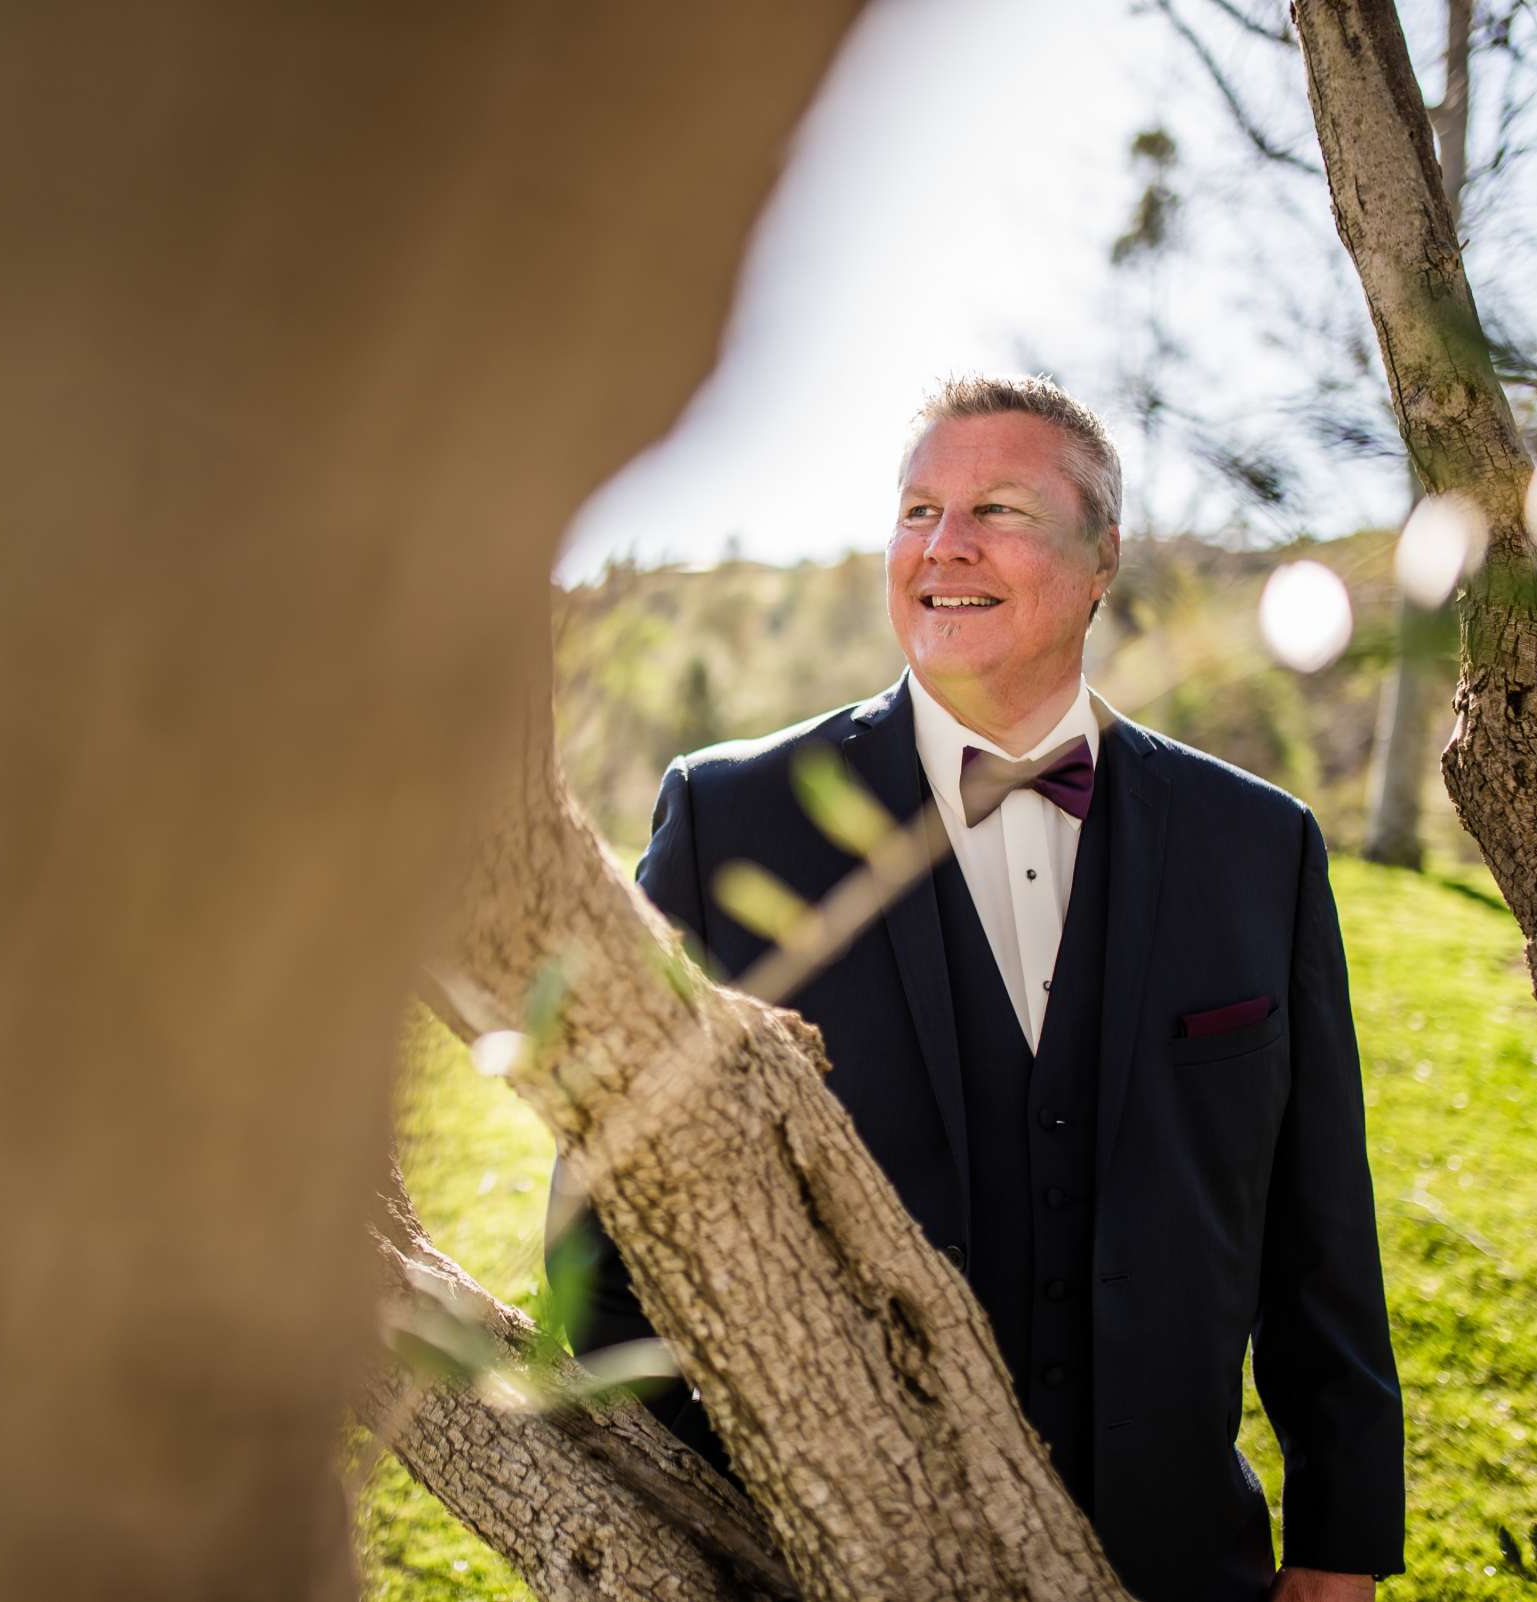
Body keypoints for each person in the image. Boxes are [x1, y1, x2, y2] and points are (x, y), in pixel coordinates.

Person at [549, 375, 1404, 1602]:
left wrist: (1340, 1541)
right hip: (831, 1569)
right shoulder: (730, 821)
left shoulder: (1256, 845)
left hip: (1175, 1563)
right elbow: (604, 1205)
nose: (943, 547)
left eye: (997, 509)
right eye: (916, 511)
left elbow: (1319, 1222)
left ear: (1103, 556)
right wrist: (722, 1508)